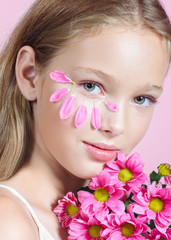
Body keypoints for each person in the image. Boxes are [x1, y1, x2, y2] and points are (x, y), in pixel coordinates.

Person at [0, 0, 170, 239]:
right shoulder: (8, 223)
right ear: (30, 75)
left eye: (142, 99)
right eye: (91, 86)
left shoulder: (125, 220)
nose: (117, 125)